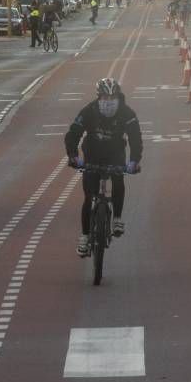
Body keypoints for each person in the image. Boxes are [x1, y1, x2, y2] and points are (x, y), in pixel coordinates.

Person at [65, 79, 144, 257]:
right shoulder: (89, 110)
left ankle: (117, 218)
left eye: (112, 97)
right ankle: (85, 237)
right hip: (92, 152)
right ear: (98, 97)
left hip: (115, 152)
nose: (109, 101)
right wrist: (73, 155)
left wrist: (134, 161)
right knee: (88, 196)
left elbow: (135, 138)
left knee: (118, 178)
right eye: (104, 97)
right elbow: (73, 133)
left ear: (118, 96)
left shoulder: (126, 112)